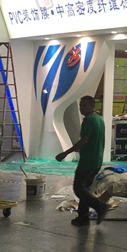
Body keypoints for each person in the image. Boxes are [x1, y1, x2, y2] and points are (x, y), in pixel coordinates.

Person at [55, 96, 109, 226]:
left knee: (79, 188)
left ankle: (100, 206)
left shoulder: (89, 120)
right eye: (80, 105)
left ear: (91, 105)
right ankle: (83, 217)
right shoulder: (99, 119)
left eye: (84, 105)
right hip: (96, 160)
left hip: (88, 161)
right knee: (85, 190)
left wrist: (65, 153)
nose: (81, 108)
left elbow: (83, 141)